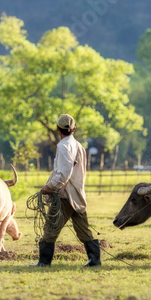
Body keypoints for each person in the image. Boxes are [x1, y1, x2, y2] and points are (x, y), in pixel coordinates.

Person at [32, 114, 102, 267]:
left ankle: (44, 262)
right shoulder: (79, 146)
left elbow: (63, 174)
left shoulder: (63, 146)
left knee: (50, 228)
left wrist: (49, 187)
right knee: (84, 231)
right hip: (78, 195)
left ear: (58, 129)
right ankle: (95, 260)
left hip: (64, 196)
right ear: (74, 129)